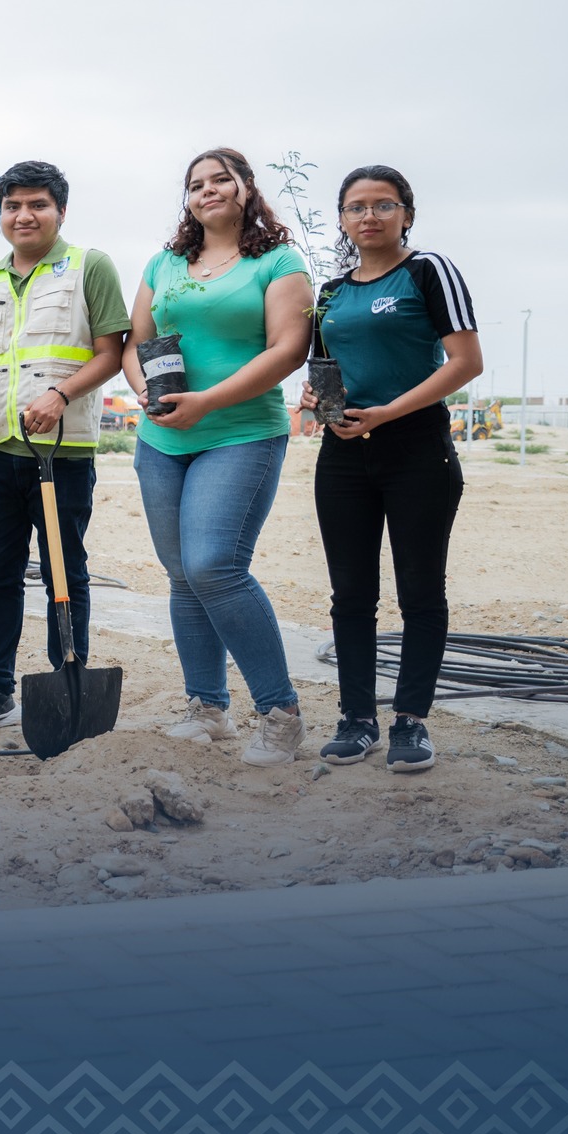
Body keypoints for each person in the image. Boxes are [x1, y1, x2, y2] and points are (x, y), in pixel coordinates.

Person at [124, 147, 313, 765]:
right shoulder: (165, 262)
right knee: (182, 575)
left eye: (220, 180)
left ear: (245, 188)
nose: (207, 191)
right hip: (162, 439)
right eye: (195, 184)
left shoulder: (279, 261)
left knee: (214, 567)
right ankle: (208, 709)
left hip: (240, 433)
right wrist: (147, 393)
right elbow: (137, 342)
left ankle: (280, 713)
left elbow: (288, 350)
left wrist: (204, 402)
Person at [0, 161, 130, 741]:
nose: (23, 215)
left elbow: (110, 351)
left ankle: (67, 678)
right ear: (1, 213)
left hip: (62, 449)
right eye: (12, 205)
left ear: (60, 212)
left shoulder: (88, 267)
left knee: (64, 571)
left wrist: (60, 393)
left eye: (37, 205)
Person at [305, 166, 480, 773]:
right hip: (344, 454)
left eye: (384, 205)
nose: (369, 216)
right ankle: (357, 719)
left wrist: (386, 414)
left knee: (420, 593)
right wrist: (316, 402)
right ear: (343, 219)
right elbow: (322, 372)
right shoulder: (329, 292)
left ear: (407, 212)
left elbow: (465, 362)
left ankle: (410, 721)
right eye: (356, 207)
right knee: (350, 594)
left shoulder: (427, 270)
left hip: (417, 449)